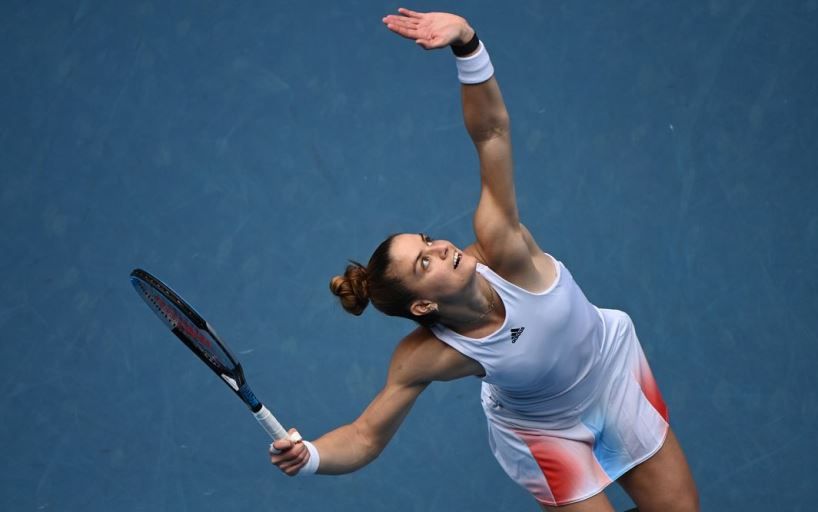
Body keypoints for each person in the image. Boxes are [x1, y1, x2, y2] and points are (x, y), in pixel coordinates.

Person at [269, 8, 699, 512]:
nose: (440, 248)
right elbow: (366, 436)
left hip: (610, 372)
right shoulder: (425, 357)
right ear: (424, 307)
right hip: (542, 432)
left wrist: (467, 45)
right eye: (423, 264)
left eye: (426, 241)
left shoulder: (502, 247)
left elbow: (492, 133)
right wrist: (312, 454)